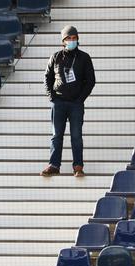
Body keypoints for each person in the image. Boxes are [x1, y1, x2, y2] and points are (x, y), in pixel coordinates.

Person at [41, 25, 96, 177]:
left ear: (78, 39)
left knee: (76, 135)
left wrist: (80, 99)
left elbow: (90, 81)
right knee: (56, 135)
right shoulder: (56, 56)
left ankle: (78, 166)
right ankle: (54, 165)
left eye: (74, 38)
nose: (72, 41)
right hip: (58, 102)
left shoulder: (84, 57)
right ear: (63, 41)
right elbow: (47, 78)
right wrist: (51, 96)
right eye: (68, 38)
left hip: (76, 104)